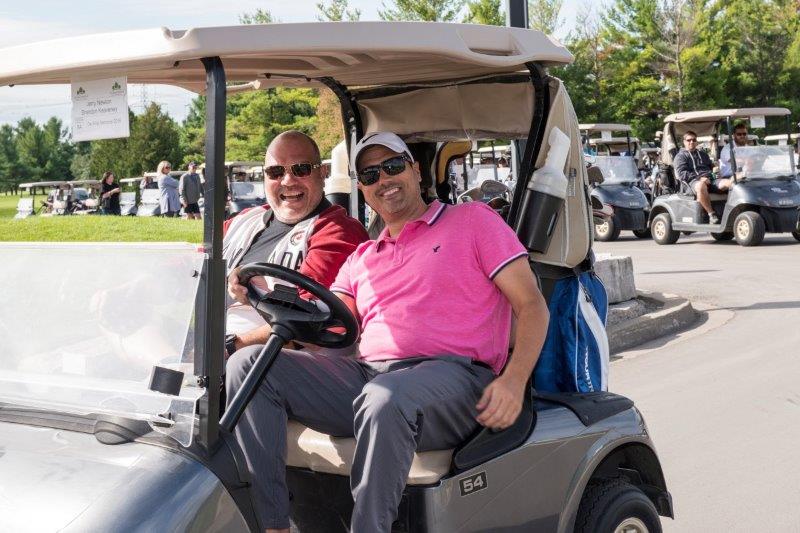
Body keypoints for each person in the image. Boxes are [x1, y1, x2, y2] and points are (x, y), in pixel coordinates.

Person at [226, 132, 549, 532]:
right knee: (249, 366)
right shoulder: (362, 257)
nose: (383, 179)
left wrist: (514, 381)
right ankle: (273, 525)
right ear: (362, 188)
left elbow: (532, 305)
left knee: (384, 398)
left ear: (415, 171)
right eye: (370, 175)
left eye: (393, 166)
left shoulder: (472, 221)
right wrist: (257, 296)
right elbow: (323, 323)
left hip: (456, 378)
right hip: (372, 377)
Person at [223, 130, 368, 354]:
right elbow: (194, 267)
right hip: (213, 348)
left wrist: (228, 348)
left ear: (323, 172)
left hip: (273, 359)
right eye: (275, 172)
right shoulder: (244, 221)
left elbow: (307, 322)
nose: (288, 181)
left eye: (301, 169)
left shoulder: (337, 231)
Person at [673, 130, 730, 224]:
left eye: (694, 140)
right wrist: (699, 178)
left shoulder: (703, 154)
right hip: (691, 183)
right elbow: (682, 174)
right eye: (689, 140)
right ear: (684, 142)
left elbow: (711, 167)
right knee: (701, 186)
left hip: (710, 180)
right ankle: (711, 214)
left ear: (697, 141)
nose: (692, 142)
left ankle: (732, 211)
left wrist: (716, 171)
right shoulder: (680, 156)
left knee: (729, 182)